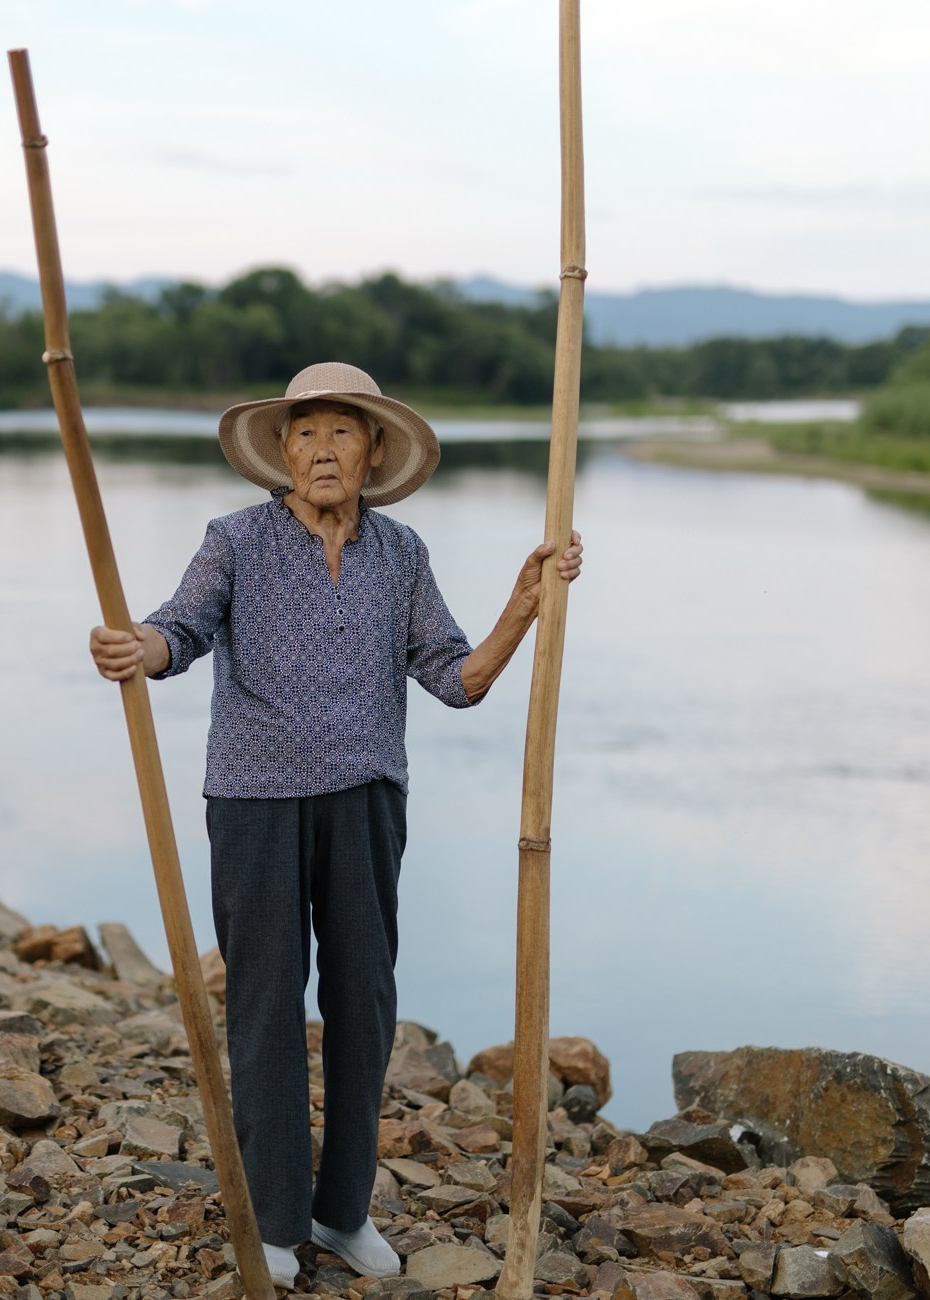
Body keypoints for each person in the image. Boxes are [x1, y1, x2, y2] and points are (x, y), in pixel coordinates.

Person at [88, 362, 584, 1289]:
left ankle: (342, 1210)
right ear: (282, 452)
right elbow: (179, 631)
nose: (323, 448)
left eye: (343, 432)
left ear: (375, 452)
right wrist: (138, 647)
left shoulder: (401, 553)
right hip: (253, 801)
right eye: (306, 431)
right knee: (268, 1006)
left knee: (366, 1001)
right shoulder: (233, 540)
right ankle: (275, 1220)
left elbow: (455, 678)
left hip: (367, 800)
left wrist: (525, 604)